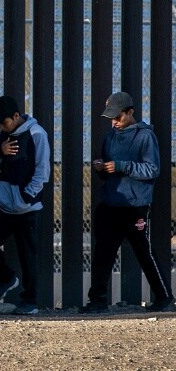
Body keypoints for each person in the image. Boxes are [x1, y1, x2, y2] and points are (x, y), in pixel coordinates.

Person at [80, 92, 174, 313]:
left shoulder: (145, 137)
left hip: (135, 206)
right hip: (111, 203)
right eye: (111, 118)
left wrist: (121, 166)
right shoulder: (110, 137)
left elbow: (152, 169)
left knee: (144, 251)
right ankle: (98, 301)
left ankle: (164, 296)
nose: (114, 122)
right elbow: (108, 170)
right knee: (103, 252)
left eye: (118, 117)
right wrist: (102, 168)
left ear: (130, 112)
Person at [0, 95, 50, 316]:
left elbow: (42, 171)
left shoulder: (36, 134)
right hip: (2, 204)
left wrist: (26, 196)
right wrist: (1, 151)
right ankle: (6, 277)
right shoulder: (3, 135)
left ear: (16, 116)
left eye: (5, 121)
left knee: (27, 254)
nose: (2, 126)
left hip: (25, 207)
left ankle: (30, 301)